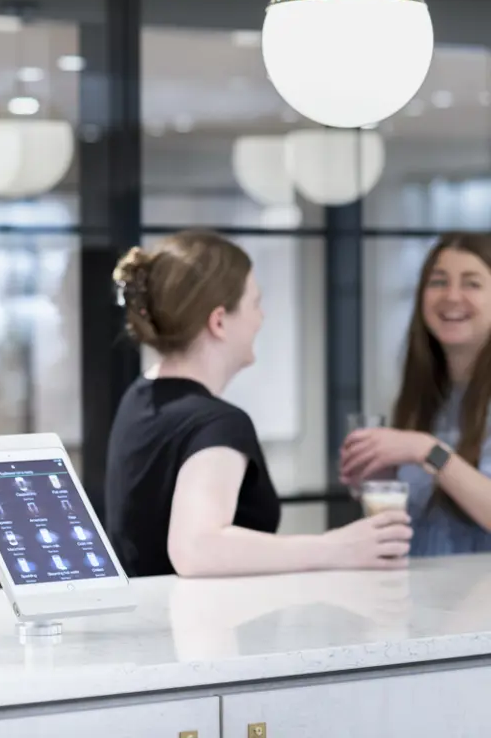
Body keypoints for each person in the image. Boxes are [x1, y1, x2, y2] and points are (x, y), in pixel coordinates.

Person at [105, 230, 411, 578]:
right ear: (219, 321)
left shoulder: (138, 397)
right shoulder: (218, 424)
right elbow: (196, 549)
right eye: (254, 303)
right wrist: (338, 547)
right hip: (196, 630)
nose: (261, 318)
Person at [340, 231, 491, 556]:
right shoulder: (426, 393)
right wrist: (381, 475)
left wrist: (426, 450)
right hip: (424, 597)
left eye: (472, 283)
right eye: (438, 282)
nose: (451, 296)